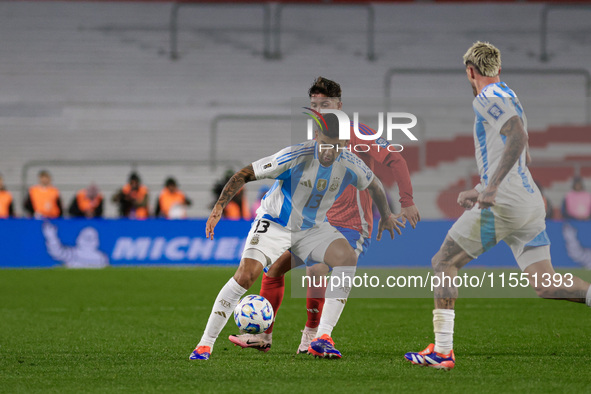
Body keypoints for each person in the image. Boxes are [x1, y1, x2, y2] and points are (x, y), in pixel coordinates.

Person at [404, 42, 591, 370]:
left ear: (470, 72)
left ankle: (443, 351)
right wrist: (480, 188)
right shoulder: (510, 95)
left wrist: (491, 188)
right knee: (545, 285)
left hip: (506, 202)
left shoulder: (486, 98)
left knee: (443, 262)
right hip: (529, 200)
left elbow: (517, 137)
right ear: (499, 69)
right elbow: (522, 148)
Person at [189, 113, 405, 361]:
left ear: (345, 144)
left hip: (312, 229)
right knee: (246, 275)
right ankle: (205, 344)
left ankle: (322, 337)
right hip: (275, 223)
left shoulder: (350, 163)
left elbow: (375, 185)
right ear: (316, 137)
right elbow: (245, 173)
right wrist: (219, 207)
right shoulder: (295, 156)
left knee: (346, 258)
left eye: (335, 146)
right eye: (324, 143)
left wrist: (387, 215)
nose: (328, 151)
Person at [229, 76, 420, 354]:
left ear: (339, 105)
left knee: (316, 268)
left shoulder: (359, 133)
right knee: (274, 270)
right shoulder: (317, 141)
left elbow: (395, 159)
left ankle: (313, 336)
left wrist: (406, 202)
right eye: (315, 105)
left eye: (326, 104)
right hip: (318, 224)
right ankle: (263, 336)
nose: (320, 110)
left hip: (352, 225)